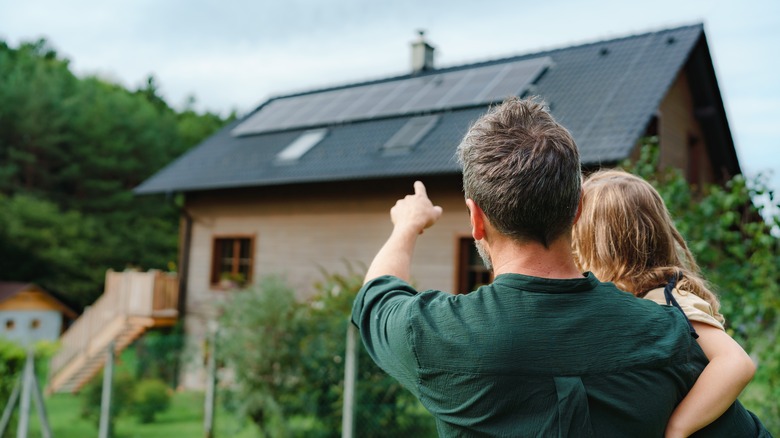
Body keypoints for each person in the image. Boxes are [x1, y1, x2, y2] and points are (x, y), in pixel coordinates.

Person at [351, 96, 769, 436]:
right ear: (577, 208)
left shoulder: (433, 334)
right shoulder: (668, 334)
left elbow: (378, 292)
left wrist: (407, 226)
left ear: (476, 219)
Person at [571, 169, 769, 437]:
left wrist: (678, 428)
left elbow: (735, 363)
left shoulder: (668, 299)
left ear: (597, 244)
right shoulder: (634, 300)